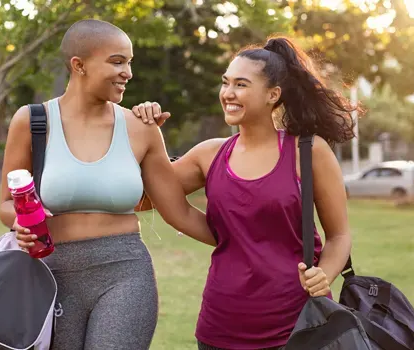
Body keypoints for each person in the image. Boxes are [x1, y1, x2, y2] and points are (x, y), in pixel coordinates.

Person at [0, 19, 215, 350]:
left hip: (125, 273)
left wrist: (244, 241)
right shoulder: (32, 122)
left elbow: (178, 211)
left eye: (129, 62)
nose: (127, 72)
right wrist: (18, 221)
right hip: (51, 274)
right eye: (117, 61)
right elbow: (5, 203)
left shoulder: (141, 127)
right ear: (79, 65)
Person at [133, 36, 356, 349]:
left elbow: (339, 236)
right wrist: (146, 135)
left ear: (272, 95)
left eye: (241, 84)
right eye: (226, 83)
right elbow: (143, 198)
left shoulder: (308, 151)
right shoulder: (208, 155)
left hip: (299, 326)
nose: (228, 94)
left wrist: (325, 274)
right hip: (221, 327)